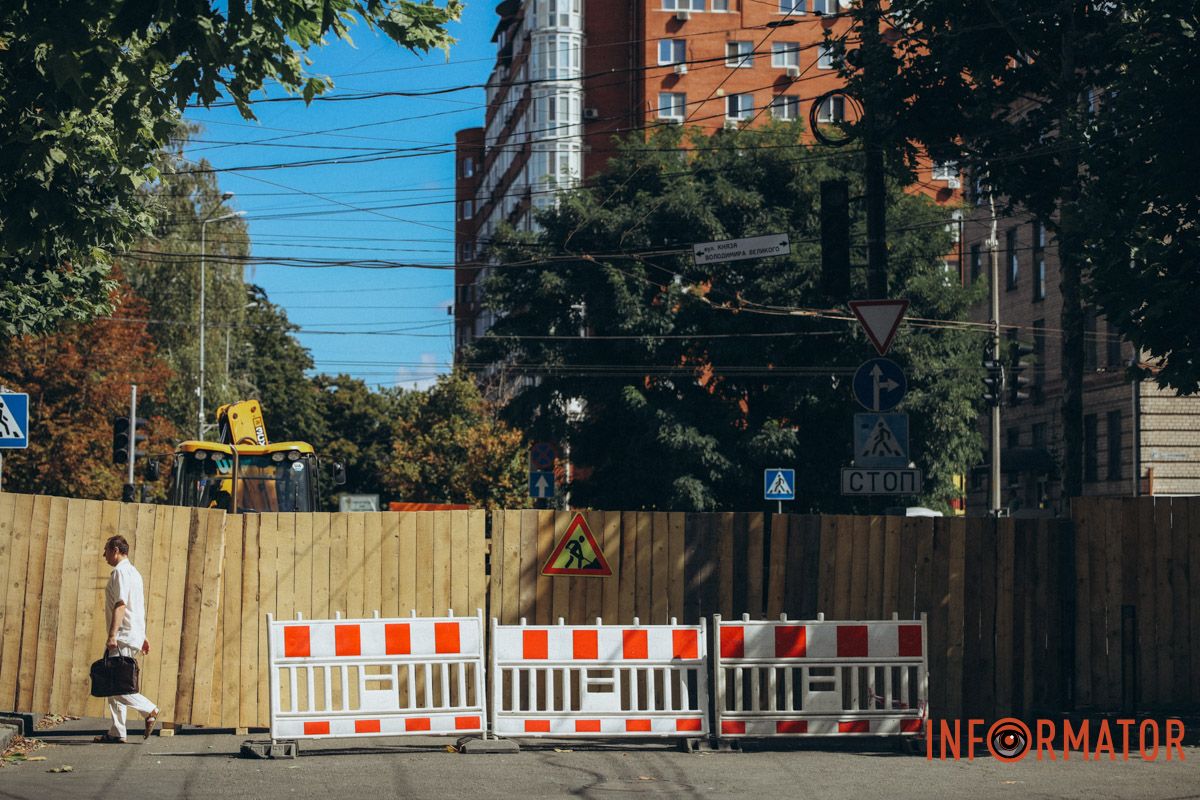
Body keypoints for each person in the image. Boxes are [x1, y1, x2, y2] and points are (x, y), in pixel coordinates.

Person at [94, 535, 158, 743]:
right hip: (133, 632)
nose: (104, 555)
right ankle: (117, 731)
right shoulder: (135, 573)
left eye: (106, 550)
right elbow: (136, 607)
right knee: (116, 680)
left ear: (115, 549)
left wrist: (112, 635)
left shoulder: (120, 572)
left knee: (115, 684)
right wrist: (143, 635)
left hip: (122, 634)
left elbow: (121, 604)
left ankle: (149, 709)